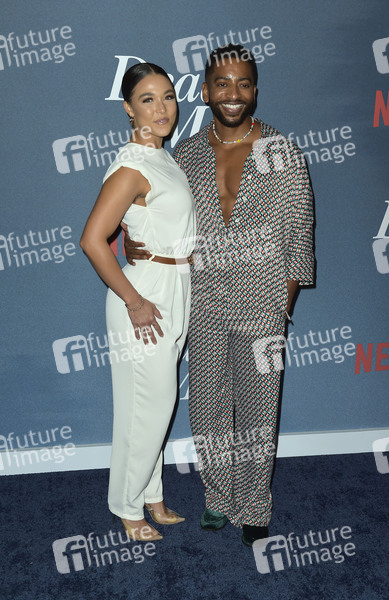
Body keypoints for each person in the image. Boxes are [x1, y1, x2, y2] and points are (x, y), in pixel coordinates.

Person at [125, 45, 315, 546]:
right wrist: (131, 235)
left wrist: (282, 304)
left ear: (255, 91)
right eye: (223, 84)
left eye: (244, 83)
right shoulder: (186, 154)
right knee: (208, 408)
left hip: (263, 304)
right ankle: (218, 497)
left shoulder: (281, 150)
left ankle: (254, 506)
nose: (234, 93)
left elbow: (300, 233)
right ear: (206, 91)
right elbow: (160, 212)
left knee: (258, 411)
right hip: (202, 300)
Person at [80, 62, 196, 541]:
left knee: (153, 407)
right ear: (129, 109)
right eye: (148, 99)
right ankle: (128, 508)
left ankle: (153, 497)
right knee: (147, 407)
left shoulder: (164, 158)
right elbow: (92, 240)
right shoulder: (131, 165)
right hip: (146, 294)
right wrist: (134, 301)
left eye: (168, 96)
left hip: (176, 287)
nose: (162, 108)